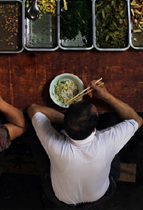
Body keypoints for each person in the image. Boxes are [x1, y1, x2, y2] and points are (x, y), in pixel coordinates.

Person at [27, 79, 142, 207]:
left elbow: (33, 109)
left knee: (34, 131)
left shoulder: (54, 144)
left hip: (60, 198)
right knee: (111, 119)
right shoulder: (108, 140)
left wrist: (71, 121)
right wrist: (106, 95)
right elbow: (137, 120)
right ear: (95, 128)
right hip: (100, 195)